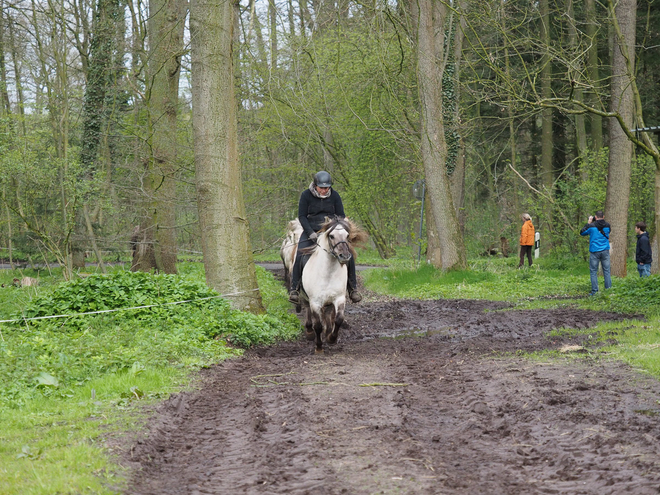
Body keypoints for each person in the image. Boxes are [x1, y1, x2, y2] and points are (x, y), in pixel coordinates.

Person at [288, 171, 362, 304]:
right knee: (299, 254)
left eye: (326, 187)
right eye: (322, 188)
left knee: (348, 253)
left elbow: (340, 215)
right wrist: (310, 232)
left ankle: (352, 289)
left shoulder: (335, 196)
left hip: (330, 231)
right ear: (315, 185)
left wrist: (339, 230)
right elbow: (302, 216)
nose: (324, 190)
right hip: (311, 230)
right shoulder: (306, 195)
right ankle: (295, 289)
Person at [579, 210, 612, 295]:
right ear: (603, 217)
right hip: (605, 251)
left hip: (594, 251)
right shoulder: (607, 226)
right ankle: (608, 290)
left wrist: (589, 222)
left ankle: (595, 291)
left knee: (593, 271)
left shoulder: (591, 226)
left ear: (595, 217)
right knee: (607, 271)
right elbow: (609, 232)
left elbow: (582, 232)